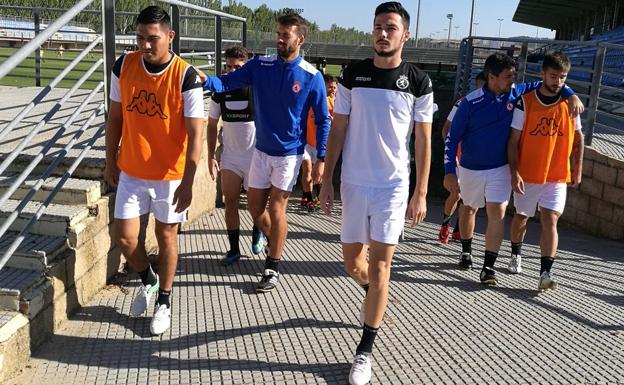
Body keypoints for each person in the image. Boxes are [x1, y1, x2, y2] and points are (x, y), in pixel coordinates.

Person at [319, 3, 433, 384]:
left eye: (391, 27)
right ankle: (376, 296)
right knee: (353, 264)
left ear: (405, 35)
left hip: (392, 186)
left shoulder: (419, 81)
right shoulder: (353, 74)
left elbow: (423, 140)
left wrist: (420, 192)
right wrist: (326, 178)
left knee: (382, 266)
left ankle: (364, 350)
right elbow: (338, 129)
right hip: (353, 181)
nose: (383, 33)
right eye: (378, 27)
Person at [202, 14, 331, 293]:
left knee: (276, 208)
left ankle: (272, 266)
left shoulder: (312, 76)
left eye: (286, 35)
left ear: (301, 39)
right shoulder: (261, 65)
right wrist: (205, 80)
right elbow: (227, 82)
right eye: (278, 34)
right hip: (260, 152)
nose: (280, 39)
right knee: (255, 209)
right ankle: (276, 240)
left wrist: (321, 157)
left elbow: (323, 119)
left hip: (289, 155)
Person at [104, 6, 204, 335]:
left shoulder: (186, 76)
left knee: (166, 236)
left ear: (170, 36)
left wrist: (189, 182)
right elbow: (116, 117)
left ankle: (164, 300)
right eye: (140, 38)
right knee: (125, 237)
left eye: (152, 39)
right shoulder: (124, 65)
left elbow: (196, 135)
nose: (145, 46)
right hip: (132, 168)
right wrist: (109, 159)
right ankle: (149, 279)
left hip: (170, 175)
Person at [443, 52, 583, 285]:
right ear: (492, 77)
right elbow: (451, 136)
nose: (512, 80)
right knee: (469, 209)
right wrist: (449, 169)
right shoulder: (469, 103)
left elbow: (548, 82)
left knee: (497, 215)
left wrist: (572, 94)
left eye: (513, 76)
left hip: (500, 169)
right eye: (508, 76)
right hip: (471, 168)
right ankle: (466, 250)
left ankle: (488, 268)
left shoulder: (516, 93)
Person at [507, 51, 584, 288]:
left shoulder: (571, 104)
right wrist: (515, 172)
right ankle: (515, 253)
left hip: (557, 175)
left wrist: (577, 169)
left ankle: (545, 273)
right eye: (553, 76)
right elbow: (513, 141)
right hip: (529, 174)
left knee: (551, 220)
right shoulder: (526, 101)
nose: (558, 82)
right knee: (522, 217)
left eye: (562, 77)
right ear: (542, 74)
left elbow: (578, 139)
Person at [206, 46, 267, 266]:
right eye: (228, 66)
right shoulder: (220, 90)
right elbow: (212, 125)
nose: (232, 71)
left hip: (255, 158)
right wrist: (211, 155)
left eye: (237, 67)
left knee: (255, 207)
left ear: (246, 68)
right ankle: (233, 250)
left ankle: (258, 230)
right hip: (231, 158)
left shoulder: (256, 89)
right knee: (230, 201)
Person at [438, 71, 486, 244]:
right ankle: (445, 225)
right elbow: (446, 129)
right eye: (481, 86)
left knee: (471, 199)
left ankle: (459, 231)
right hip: (460, 156)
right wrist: (449, 152)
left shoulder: (498, 104)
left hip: (478, 160)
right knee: (456, 193)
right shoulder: (464, 102)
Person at [300, 74, 337, 212]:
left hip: (323, 145)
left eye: (334, 88)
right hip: (307, 143)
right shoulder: (313, 99)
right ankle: (308, 199)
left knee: (319, 174)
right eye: (330, 87)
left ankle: (319, 196)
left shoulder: (336, 103)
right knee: (308, 170)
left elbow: (340, 124)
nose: (332, 90)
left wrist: (333, 120)